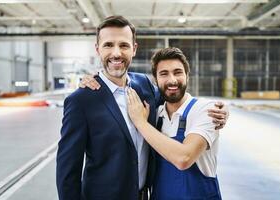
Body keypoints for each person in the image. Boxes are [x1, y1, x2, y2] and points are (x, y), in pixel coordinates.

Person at [56, 16, 228, 200]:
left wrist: (220, 110)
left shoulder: (144, 85)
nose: (116, 53)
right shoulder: (82, 100)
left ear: (134, 49)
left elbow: (174, 93)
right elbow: (68, 170)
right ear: (98, 49)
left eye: (123, 45)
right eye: (108, 45)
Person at [127, 47, 222, 199]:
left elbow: (184, 158)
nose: (172, 80)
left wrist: (141, 122)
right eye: (164, 74)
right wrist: (97, 77)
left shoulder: (205, 110)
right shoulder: (156, 115)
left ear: (187, 76)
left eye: (177, 72)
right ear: (155, 80)